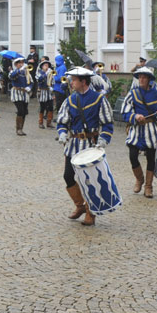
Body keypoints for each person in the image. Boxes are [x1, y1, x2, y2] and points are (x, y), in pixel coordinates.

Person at [57, 67, 114, 226]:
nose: (71, 82)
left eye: (74, 79)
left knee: (89, 180)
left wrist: (103, 140)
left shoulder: (99, 99)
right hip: (73, 144)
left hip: (90, 146)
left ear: (83, 81)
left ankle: (91, 212)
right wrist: (62, 133)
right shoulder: (70, 100)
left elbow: (108, 124)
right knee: (68, 176)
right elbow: (62, 122)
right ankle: (80, 206)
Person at [122, 67, 157, 199]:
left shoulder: (156, 94)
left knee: (151, 158)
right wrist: (135, 116)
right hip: (136, 129)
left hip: (151, 129)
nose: (141, 79)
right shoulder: (133, 93)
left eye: (144, 77)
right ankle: (139, 179)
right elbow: (125, 111)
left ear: (149, 79)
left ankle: (148, 186)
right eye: (139, 77)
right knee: (132, 155)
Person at [9, 57, 32, 135]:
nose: (21, 64)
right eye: (19, 63)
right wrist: (19, 70)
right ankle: (18, 129)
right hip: (16, 92)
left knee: (25, 111)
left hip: (25, 93)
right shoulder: (14, 71)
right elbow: (12, 76)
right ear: (16, 64)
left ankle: (21, 128)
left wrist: (29, 87)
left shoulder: (26, 73)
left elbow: (31, 82)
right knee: (20, 110)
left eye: (22, 63)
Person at [35, 59, 54, 129]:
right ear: (42, 66)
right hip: (42, 91)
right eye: (45, 65)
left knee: (50, 107)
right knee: (42, 107)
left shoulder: (51, 73)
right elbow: (39, 79)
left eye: (48, 65)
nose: (47, 66)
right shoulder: (39, 72)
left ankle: (49, 122)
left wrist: (52, 87)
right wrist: (45, 74)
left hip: (49, 91)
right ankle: (40, 123)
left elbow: (53, 81)